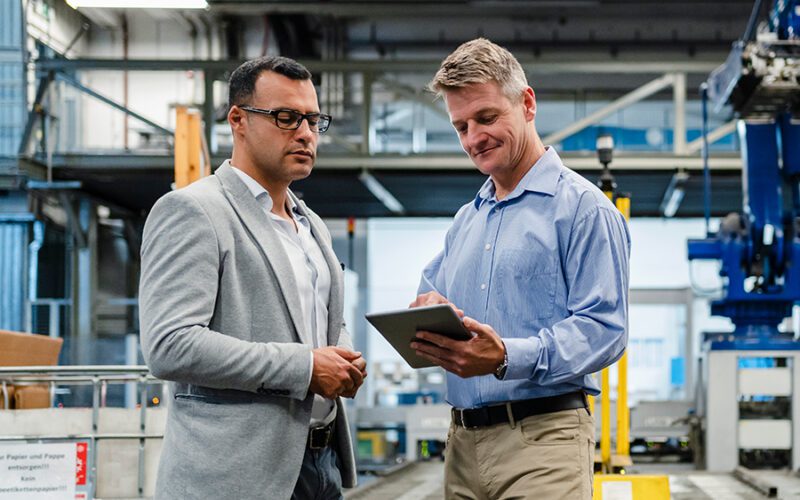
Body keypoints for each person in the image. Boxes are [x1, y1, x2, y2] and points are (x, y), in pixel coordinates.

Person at [409, 38, 630, 499]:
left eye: (487, 118)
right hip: (462, 445)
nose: (473, 138)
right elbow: (428, 298)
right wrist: (428, 310)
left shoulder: (583, 209)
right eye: (461, 126)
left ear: (526, 104)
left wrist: (509, 356)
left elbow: (605, 329)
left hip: (543, 443)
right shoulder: (466, 221)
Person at [139, 55, 365, 500]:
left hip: (321, 466)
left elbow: (319, 322)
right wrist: (305, 366)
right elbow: (170, 345)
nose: (304, 133)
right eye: (286, 117)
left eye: (312, 119)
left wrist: (342, 357)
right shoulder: (195, 211)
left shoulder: (312, 224)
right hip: (234, 476)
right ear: (238, 120)